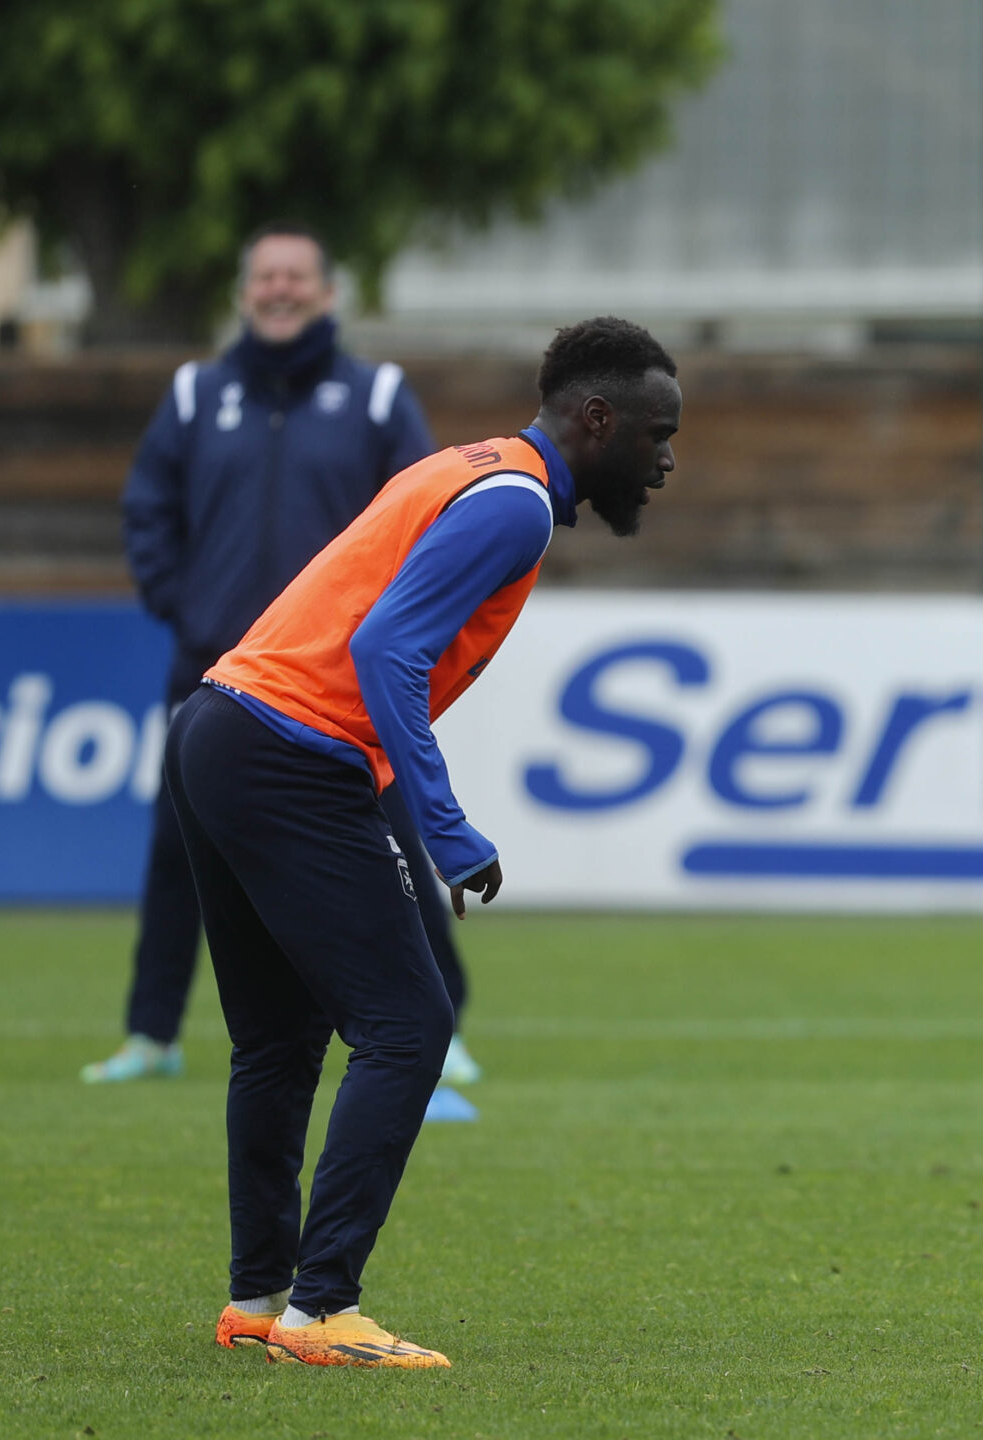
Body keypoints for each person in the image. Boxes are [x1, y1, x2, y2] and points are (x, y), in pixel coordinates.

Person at [182, 317, 679, 1366]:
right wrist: (445, 828)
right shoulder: (516, 505)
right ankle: (323, 1311)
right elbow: (385, 649)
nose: (666, 460)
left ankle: (260, 1300)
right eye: (658, 433)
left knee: (277, 1041)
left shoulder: (471, 467)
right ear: (597, 419)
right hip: (292, 749)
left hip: (221, 726)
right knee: (409, 1027)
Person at [91, 223, 486, 1110]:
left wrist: (385, 632)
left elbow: (429, 517)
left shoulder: (377, 397)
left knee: (391, 843)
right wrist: (185, 606)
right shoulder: (194, 394)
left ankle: (445, 1027)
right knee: (178, 850)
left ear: (328, 292)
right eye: (265, 276)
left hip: (339, 682)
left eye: (296, 276)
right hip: (215, 672)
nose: (280, 290)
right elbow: (147, 509)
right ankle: (152, 1033)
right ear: (244, 293)